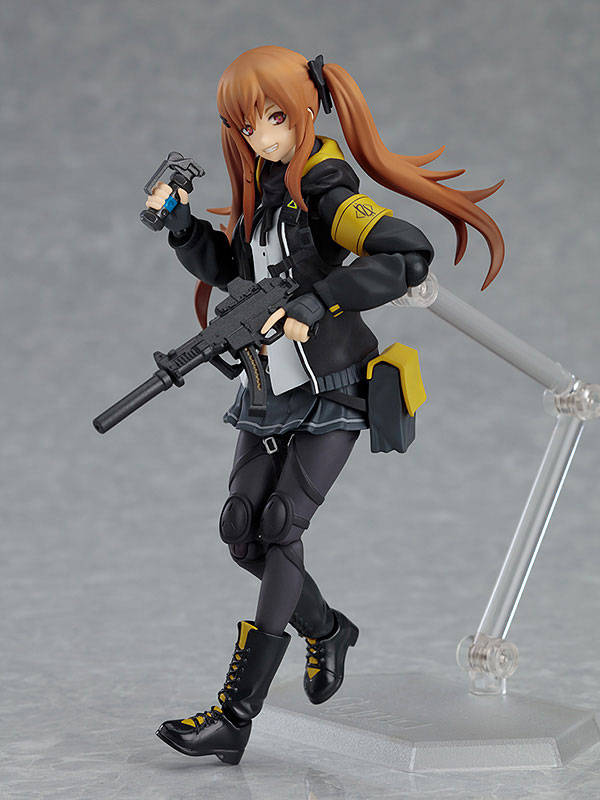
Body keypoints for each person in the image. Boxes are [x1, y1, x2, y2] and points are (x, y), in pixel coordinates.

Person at [148, 46, 504, 764]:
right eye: (247, 125)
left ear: (304, 110)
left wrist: (319, 301)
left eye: (274, 118)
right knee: (241, 530)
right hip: (266, 385)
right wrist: (183, 226)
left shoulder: (325, 185)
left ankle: (236, 716)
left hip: (330, 385)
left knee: (281, 527)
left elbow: (405, 255)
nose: (261, 136)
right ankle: (328, 630)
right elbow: (235, 271)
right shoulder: (264, 189)